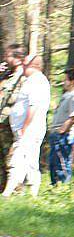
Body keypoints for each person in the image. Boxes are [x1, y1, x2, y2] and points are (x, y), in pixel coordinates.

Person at [2, 55, 50, 197]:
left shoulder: (37, 81)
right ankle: (32, 192)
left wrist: (24, 127)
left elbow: (33, 107)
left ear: (32, 65)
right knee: (28, 160)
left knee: (18, 159)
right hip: (27, 129)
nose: (22, 65)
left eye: (24, 63)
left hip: (30, 129)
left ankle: (8, 192)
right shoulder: (33, 80)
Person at [48, 68, 74, 185]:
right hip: (57, 134)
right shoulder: (67, 94)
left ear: (72, 81)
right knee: (53, 162)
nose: (64, 82)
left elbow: (73, 117)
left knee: (62, 162)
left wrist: (62, 131)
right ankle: (55, 185)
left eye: (65, 80)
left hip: (64, 135)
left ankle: (63, 186)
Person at [0, 44, 27, 191]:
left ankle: (16, 188)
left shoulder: (23, 77)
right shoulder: (8, 76)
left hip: (12, 124)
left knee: (11, 158)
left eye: (8, 56)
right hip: (2, 123)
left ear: (17, 59)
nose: (5, 58)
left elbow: (18, 100)